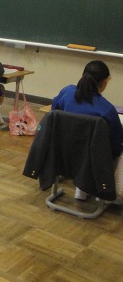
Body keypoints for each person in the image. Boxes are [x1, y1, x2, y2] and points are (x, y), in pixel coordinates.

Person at [52, 60, 123, 200]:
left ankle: (81, 191)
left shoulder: (66, 92)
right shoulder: (107, 110)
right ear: (105, 81)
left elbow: (54, 113)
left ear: (82, 76)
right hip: (91, 162)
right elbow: (116, 145)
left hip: (61, 154)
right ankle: (105, 192)